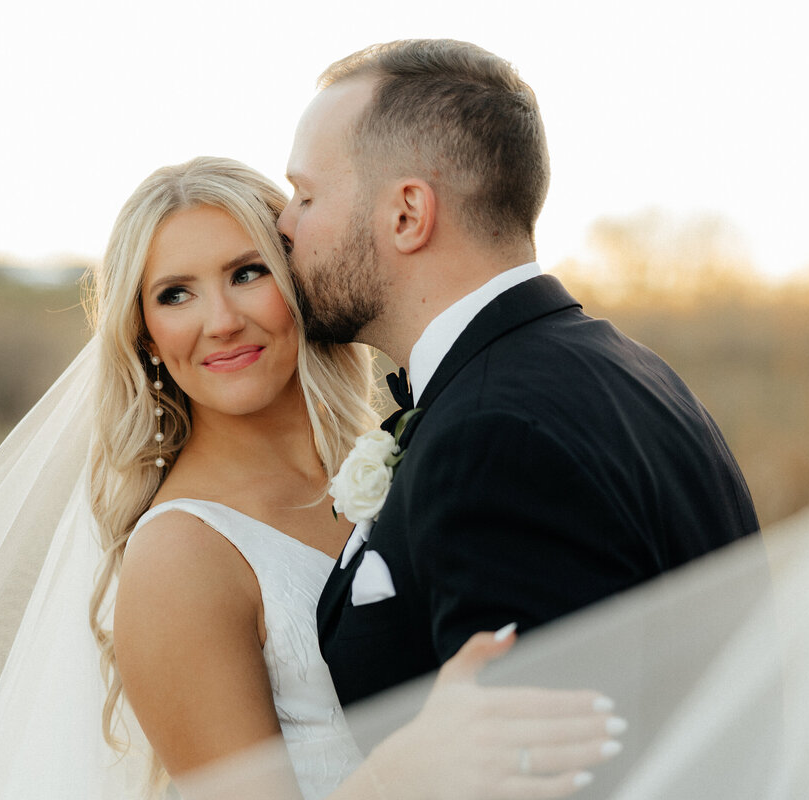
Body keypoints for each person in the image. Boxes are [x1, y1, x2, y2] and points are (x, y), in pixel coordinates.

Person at [0, 156, 623, 800]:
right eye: (175, 293)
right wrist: (412, 769)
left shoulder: (398, 457)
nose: (221, 319)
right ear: (145, 338)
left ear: (299, 281)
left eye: (248, 271)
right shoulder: (181, 558)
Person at [277, 38, 760, 712]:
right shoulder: (627, 367)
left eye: (304, 196)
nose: (283, 225)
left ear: (407, 214)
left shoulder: (493, 438)